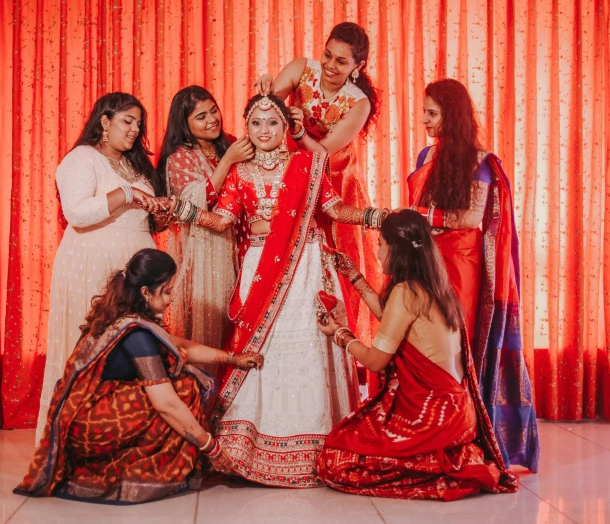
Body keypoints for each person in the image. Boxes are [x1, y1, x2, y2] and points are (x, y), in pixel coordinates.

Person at [151, 94, 389, 488]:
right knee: (267, 353)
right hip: (260, 269)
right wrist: (183, 210)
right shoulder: (240, 173)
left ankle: (317, 445)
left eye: (272, 123)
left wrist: (377, 216)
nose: (264, 131)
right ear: (246, 128)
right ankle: (259, 445)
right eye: (256, 123)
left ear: (285, 128)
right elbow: (223, 220)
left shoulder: (308, 165)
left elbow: (335, 210)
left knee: (310, 347)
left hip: (308, 267)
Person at [15, 249, 264, 504]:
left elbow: (179, 346)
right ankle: (150, 473)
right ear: (146, 292)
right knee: (184, 389)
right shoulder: (137, 334)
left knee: (181, 380)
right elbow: (166, 404)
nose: (171, 298)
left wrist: (231, 358)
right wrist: (210, 447)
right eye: (167, 291)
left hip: (80, 416)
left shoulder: (126, 317)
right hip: (90, 426)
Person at [315, 210, 519, 501]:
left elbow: (375, 361)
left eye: (381, 244)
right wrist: (354, 276)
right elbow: (391, 319)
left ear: (396, 250)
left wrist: (339, 334)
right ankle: (441, 459)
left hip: (432, 417)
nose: (377, 251)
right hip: (458, 414)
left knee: (337, 458)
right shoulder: (435, 287)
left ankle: (437, 464)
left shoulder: (406, 293)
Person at [408, 78, 539, 471]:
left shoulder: (481, 162)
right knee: (423, 342)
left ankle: (467, 436)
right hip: (425, 258)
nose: (425, 121)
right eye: (424, 113)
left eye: (432, 113)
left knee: (458, 346)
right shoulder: (425, 156)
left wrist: (423, 218)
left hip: (461, 266)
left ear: (453, 115)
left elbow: (470, 218)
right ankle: (429, 433)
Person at [35, 92, 167, 444]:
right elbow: (77, 213)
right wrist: (126, 194)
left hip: (135, 272)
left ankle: (128, 439)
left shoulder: (136, 165)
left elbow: (143, 219)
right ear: (104, 121)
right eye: (128, 120)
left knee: (136, 352)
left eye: (139, 124)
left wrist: (158, 215)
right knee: (95, 350)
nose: (136, 130)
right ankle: (78, 441)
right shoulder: (81, 159)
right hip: (92, 266)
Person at [254, 22, 382, 382]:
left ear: (357, 67)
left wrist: (297, 132)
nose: (329, 64)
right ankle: (278, 343)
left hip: (333, 179)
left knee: (328, 259)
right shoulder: (300, 68)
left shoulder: (358, 102)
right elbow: (266, 111)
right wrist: (268, 88)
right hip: (289, 168)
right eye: (327, 54)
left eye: (341, 61)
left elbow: (324, 154)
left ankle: (328, 354)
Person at [157, 86, 253, 355]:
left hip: (244, 244)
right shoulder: (179, 158)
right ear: (184, 124)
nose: (212, 119)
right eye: (201, 116)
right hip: (208, 252)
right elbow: (197, 204)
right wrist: (228, 161)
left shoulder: (230, 142)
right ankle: (210, 392)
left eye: (214, 111)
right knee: (214, 328)